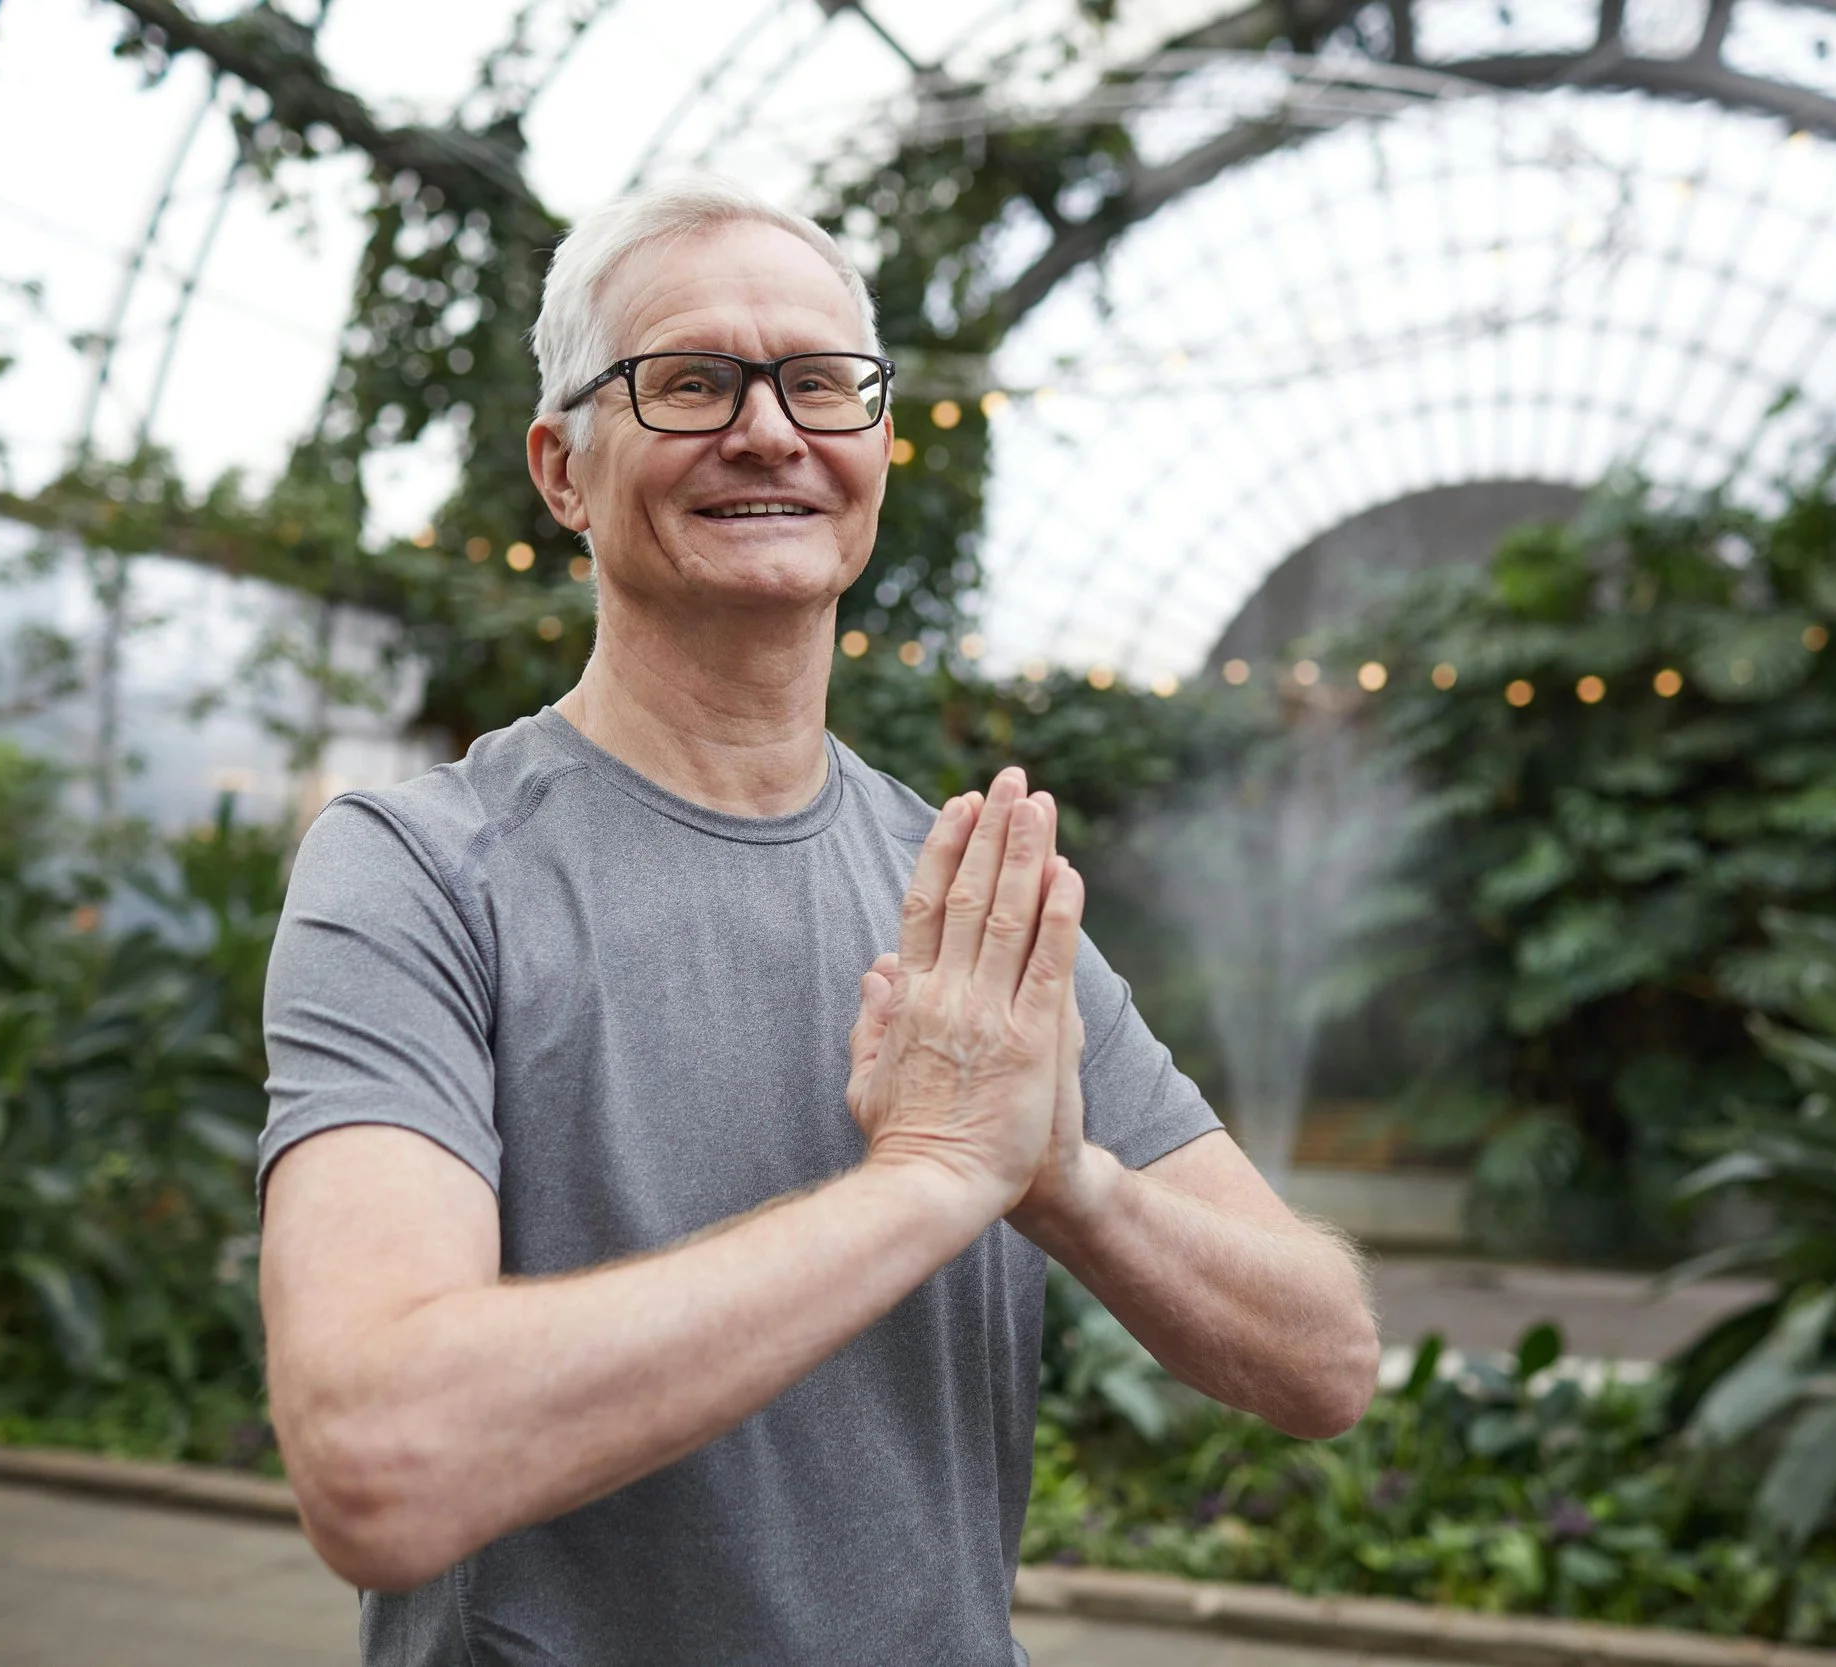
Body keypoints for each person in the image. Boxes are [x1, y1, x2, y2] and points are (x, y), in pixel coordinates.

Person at [256, 175, 1380, 1666]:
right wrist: (925, 1180)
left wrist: (1069, 1186)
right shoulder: (423, 871)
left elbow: (1326, 1354)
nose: (772, 430)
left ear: (877, 446)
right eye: (692, 380)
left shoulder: (967, 898)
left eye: (822, 383)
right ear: (563, 469)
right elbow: (380, 1458)